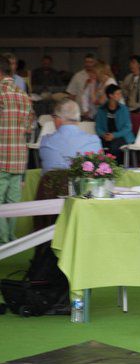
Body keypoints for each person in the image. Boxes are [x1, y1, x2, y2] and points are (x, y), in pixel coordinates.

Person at [0, 55, 36, 244]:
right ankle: (11, 238)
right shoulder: (23, 95)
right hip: (18, 156)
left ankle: (3, 239)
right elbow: (30, 127)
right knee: (13, 202)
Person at [39, 98, 101, 172]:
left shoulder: (46, 141)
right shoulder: (94, 140)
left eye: (54, 117)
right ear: (78, 120)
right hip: (86, 182)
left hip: (55, 182)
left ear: (58, 119)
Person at [95, 84, 135, 162]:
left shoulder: (124, 109)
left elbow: (128, 127)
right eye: (118, 93)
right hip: (106, 136)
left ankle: (114, 168)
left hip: (121, 136)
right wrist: (103, 135)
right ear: (111, 95)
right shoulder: (101, 109)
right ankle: (99, 168)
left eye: (120, 93)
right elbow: (98, 127)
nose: (120, 95)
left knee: (114, 146)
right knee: (95, 144)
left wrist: (114, 135)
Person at [66, 53, 98, 119]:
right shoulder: (77, 76)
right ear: (84, 63)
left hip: (96, 112)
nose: (88, 64)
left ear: (95, 63)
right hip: (80, 112)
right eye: (86, 62)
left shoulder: (99, 76)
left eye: (91, 62)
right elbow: (72, 95)